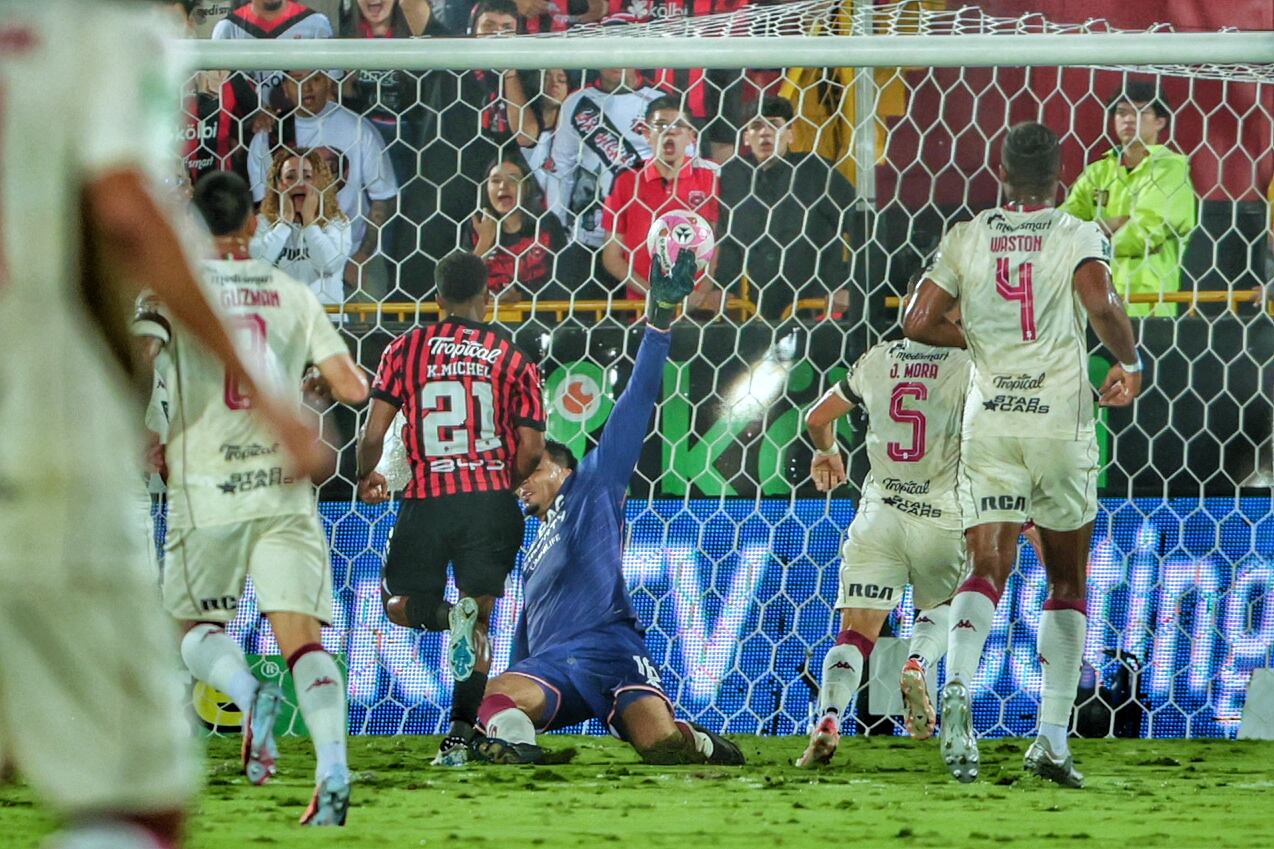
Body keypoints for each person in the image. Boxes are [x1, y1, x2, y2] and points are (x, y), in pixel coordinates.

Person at [0, 3, 323, 847]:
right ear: (251, 220)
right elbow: (125, 206)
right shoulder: (108, 33)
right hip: (48, 427)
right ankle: (287, 728)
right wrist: (278, 402)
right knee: (139, 799)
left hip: (185, 475)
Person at [903, 122, 1143, 788]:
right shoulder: (1077, 233)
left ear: (1001, 176)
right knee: (1066, 581)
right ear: (1061, 177)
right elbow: (1102, 302)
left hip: (992, 422)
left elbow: (918, 320)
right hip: (1059, 422)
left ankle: (956, 687)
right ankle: (1051, 739)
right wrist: (1129, 358)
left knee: (985, 564)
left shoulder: (968, 234)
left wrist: (979, 341)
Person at [473, 250, 743, 766]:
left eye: (528, 471)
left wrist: (659, 323)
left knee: (662, 749)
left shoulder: (593, 485)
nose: (519, 482)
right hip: (555, 668)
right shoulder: (532, 550)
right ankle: (519, 750)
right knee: (492, 694)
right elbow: (525, 638)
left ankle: (701, 742)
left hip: (612, 651)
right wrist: (515, 690)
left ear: (561, 466)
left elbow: (636, 403)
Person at [162, 172, 368, 825]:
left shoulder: (171, 294)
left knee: (193, 629)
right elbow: (352, 386)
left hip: (205, 485)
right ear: (253, 224)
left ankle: (249, 691)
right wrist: (311, 384)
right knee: (302, 640)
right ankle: (333, 766)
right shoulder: (291, 293)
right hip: (280, 482)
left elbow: (140, 359)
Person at [356, 252, 547, 765]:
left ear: (437, 297)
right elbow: (531, 449)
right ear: (488, 296)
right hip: (488, 503)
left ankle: (446, 617)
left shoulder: (405, 348)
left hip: (426, 501)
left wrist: (365, 473)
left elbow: (374, 433)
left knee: (398, 606)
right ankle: (460, 736)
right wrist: (495, 484)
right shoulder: (512, 355)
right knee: (480, 620)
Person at [794, 280, 972, 767]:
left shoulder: (878, 359)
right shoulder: (970, 365)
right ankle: (919, 663)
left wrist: (827, 451)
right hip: (942, 514)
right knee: (943, 608)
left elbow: (816, 416)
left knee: (855, 632)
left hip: (881, 512)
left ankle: (828, 719)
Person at [247, 69, 399, 299]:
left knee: (369, 324)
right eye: (297, 81)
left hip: (353, 253)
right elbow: (264, 209)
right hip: (291, 259)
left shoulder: (358, 130)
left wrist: (362, 257)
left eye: (314, 79)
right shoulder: (268, 137)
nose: (306, 88)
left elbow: (385, 196)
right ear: (286, 88)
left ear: (328, 83)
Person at [1061, 81, 1196, 317]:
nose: (1128, 119)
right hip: (1092, 303)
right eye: (1121, 112)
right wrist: (1114, 224)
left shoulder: (1172, 171)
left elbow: (1146, 233)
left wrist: (1088, 235)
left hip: (1148, 306)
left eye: (1140, 112)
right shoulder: (1097, 172)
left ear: (1160, 122)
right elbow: (1063, 227)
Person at [717, 97, 856, 321]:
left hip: (815, 306)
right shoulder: (732, 177)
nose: (765, 133)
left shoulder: (816, 171)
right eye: (756, 126)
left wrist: (850, 286)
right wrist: (721, 289)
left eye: (775, 125)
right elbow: (724, 240)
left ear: (790, 134)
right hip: (750, 311)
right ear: (745, 137)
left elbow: (864, 227)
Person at [546, 68, 662, 293]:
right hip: (590, 240)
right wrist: (557, 231)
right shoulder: (577, 103)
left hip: (646, 240)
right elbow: (561, 171)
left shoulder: (661, 101)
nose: (616, 61)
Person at [601, 96, 721, 309]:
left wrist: (700, 292)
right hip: (641, 308)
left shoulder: (708, 179)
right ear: (646, 133)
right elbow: (611, 256)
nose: (669, 132)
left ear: (692, 136)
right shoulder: (626, 181)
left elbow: (714, 245)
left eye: (678, 126)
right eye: (660, 126)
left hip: (695, 308)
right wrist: (655, 293)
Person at [251, 149, 353, 305]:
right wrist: (284, 224)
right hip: (280, 321)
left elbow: (328, 265)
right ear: (278, 184)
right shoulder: (262, 222)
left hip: (326, 321)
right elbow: (255, 267)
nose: (299, 184)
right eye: (290, 177)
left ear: (319, 183)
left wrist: (309, 222)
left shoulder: (337, 222)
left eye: (307, 177)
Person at [464, 154, 570, 303]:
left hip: (538, 319)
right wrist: (484, 242)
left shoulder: (546, 224)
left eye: (513, 179)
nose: (503, 186)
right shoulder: (477, 225)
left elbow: (562, 281)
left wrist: (521, 296)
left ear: (527, 186)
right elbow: (461, 286)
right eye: (495, 181)